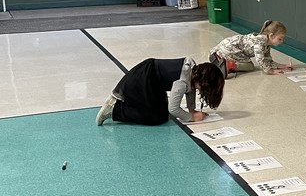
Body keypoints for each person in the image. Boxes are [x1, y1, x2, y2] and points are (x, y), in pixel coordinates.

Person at [95, 57, 225, 126]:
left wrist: (192, 110)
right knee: (154, 118)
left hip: (154, 81)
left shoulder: (193, 72)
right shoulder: (182, 82)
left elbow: (190, 90)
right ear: (203, 83)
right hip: (142, 79)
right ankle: (114, 109)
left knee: (162, 115)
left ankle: (123, 106)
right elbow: (173, 109)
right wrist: (191, 118)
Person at [209, 20, 291, 76]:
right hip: (229, 50)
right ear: (271, 36)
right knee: (250, 66)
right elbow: (260, 60)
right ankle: (227, 64)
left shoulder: (265, 42)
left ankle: (219, 58)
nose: (281, 41)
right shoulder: (260, 43)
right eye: (280, 39)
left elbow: (267, 59)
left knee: (249, 64)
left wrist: (279, 65)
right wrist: (270, 71)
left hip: (228, 46)